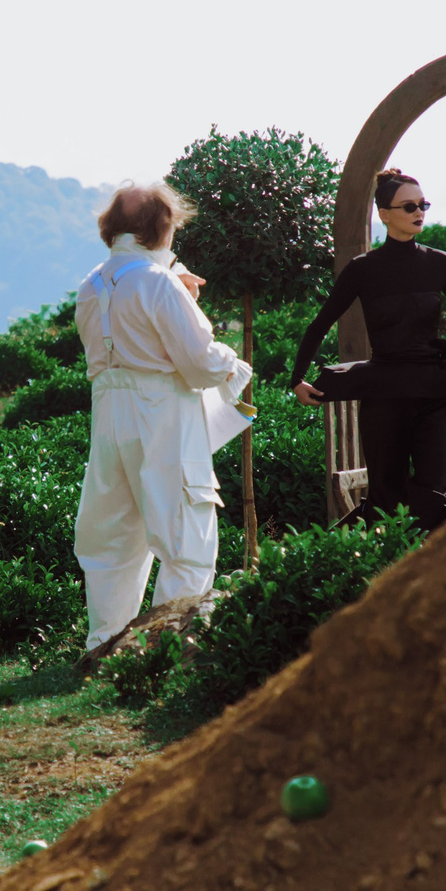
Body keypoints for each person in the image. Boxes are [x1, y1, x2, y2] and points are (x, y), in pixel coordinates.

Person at [71, 181, 254, 654]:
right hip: (161, 412)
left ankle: (104, 647)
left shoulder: (90, 285)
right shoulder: (159, 283)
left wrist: (173, 275)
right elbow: (200, 364)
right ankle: (166, 650)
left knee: (113, 539)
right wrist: (234, 362)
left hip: (108, 413)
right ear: (161, 227)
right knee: (185, 538)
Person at [290, 169, 446, 531]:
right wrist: (297, 379)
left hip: (434, 394)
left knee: (433, 495)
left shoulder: (439, 262)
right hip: (384, 397)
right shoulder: (362, 269)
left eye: (423, 204)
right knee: (383, 497)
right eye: (409, 206)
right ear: (384, 213)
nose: (419, 212)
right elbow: (321, 323)